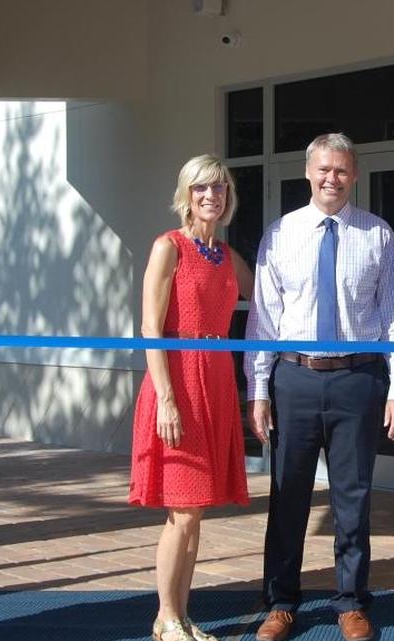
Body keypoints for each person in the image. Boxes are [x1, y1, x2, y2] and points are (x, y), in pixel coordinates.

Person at [244, 133, 394, 641]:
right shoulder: (279, 234)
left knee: (352, 497)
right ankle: (280, 602)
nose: (331, 178)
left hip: (358, 381)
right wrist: (258, 389)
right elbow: (262, 321)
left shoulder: (377, 235)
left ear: (354, 175)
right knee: (287, 495)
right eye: (323, 169)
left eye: (341, 170)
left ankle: (351, 602)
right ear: (307, 172)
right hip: (293, 379)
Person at [129, 154, 256, 641]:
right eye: (201, 188)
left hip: (217, 382)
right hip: (178, 384)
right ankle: (164, 615)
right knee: (181, 510)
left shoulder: (226, 256)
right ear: (186, 195)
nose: (211, 197)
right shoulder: (170, 247)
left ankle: (181, 616)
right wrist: (165, 398)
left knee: (196, 511)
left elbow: (273, 292)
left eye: (219, 189)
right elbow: (149, 328)